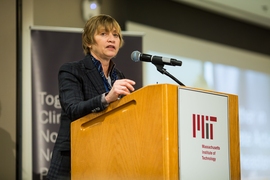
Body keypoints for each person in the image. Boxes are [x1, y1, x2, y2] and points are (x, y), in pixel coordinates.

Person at [46, 14, 136, 180]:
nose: (111, 39)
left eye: (115, 35)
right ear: (88, 41)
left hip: (109, 159)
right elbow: (73, 110)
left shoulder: (119, 76)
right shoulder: (72, 70)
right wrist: (107, 98)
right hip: (74, 159)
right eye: (103, 34)